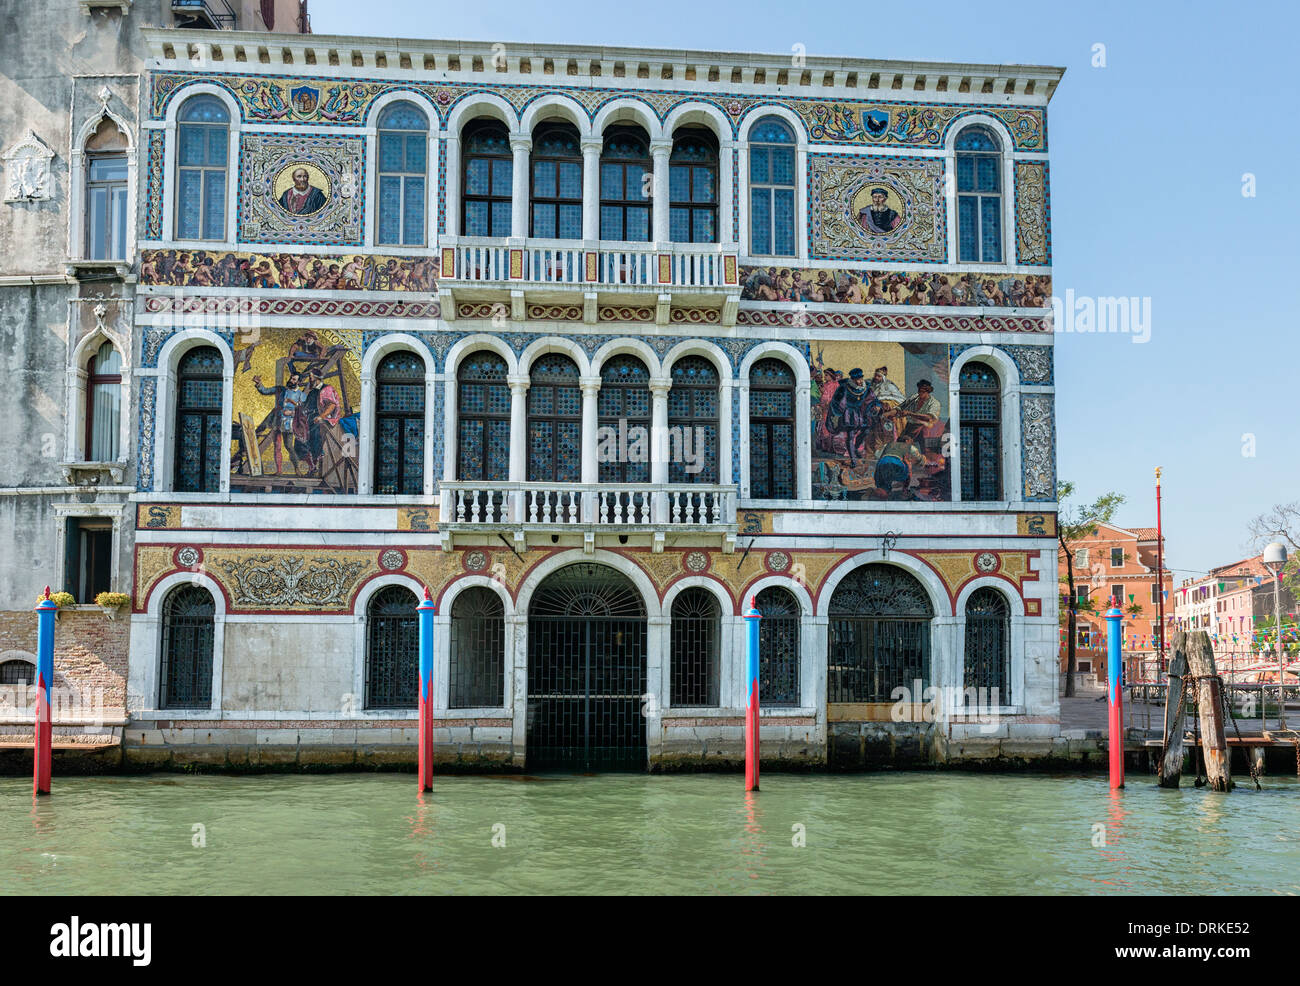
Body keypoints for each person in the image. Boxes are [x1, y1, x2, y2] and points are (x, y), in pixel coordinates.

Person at [252, 371, 306, 475]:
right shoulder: (281, 389)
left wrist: (292, 412)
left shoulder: (301, 395)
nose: (291, 380)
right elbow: (265, 391)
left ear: (299, 382)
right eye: (291, 378)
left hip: (289, 423)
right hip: (276, 420)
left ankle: (297, 469)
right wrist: (259, 383)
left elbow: (304, 412)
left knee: (289, 446)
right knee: (277, 445)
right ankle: (279, 471)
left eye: (294, 379)